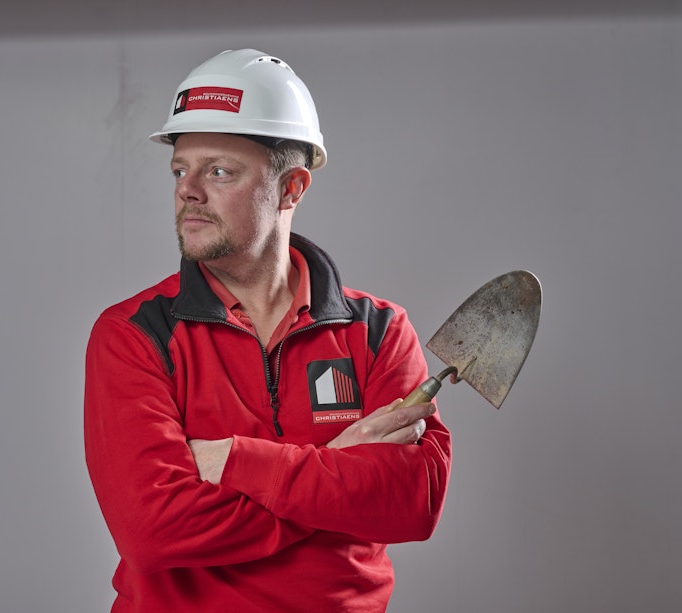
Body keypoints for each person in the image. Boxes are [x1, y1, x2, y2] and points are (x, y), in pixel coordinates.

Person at [84, 48, 452, 612]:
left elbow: (412, 502)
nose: (188, 189)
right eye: (180, 169)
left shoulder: (378, 330)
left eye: (219, 171)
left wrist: (235, 460)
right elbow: (153, 532)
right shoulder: (134, 335)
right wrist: (340, 464)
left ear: (292, 188)